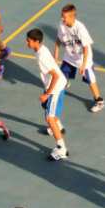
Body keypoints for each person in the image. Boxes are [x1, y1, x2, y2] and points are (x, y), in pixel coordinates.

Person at [25, 28, 69, 161]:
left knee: (49, 118)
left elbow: (54, 76)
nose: (26, 43)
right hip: (55, 84)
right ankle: (58, 126)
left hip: (55, 87)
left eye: (29, 41)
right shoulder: (41, 49)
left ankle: (62, 149)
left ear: (36, 41)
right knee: (46, 107)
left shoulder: (41, 57)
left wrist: (47, 94)